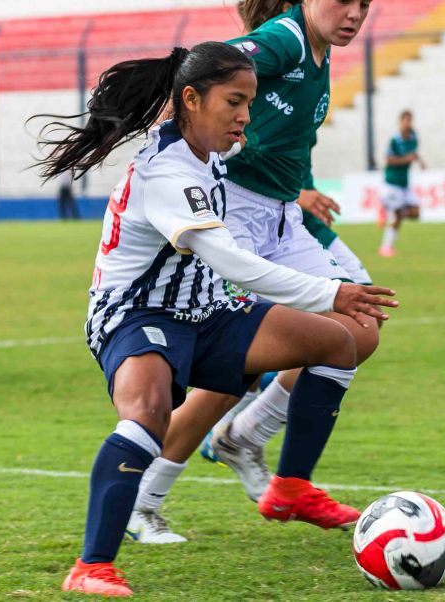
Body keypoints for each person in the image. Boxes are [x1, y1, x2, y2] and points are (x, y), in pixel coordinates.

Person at [37, 41, 397, 596]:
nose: (245, 116)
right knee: (148, 413)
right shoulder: (166, 174)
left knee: (337, 345)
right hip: (136, 314)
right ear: (191, 99)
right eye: (234, 101)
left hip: (206, 312)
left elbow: (246, 185)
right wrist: (331, 291)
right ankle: (92, 566)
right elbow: (231, 262)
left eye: (249, 103)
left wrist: (296, 195)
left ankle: (292, 485)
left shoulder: (206, 152)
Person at [124, 0, 381, 544]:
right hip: (232, 217)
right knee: (224, 376)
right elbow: (213, 69)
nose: (354, 15)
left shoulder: (317, 54)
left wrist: (297, 190)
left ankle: (266, 458)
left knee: (359, 330)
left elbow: (277, 137)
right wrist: (168, 141)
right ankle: (142, 499)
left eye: (365, 5)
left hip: (279, 218)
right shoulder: (286, 40)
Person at [380, 110, 425, 257]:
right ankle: (385, 248)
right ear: (400, 122)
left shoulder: (413, 137)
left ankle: (387, 209)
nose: (407, 123)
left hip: (404, 184)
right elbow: (388, 160)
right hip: (392, 182)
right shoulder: (395, 140)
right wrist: (406, 160)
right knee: (398, 215)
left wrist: (421, 162)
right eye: (405, 120)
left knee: (416, 212)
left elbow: (414, 153)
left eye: (409, 120)